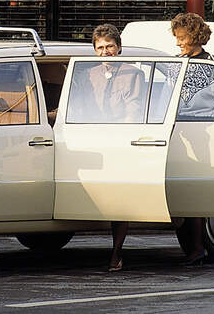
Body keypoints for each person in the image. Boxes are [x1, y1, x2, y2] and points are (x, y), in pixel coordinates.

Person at [170, 12, 214, 266]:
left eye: (182, 38)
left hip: (206, 135)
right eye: (177, 38)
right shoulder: (174, 64)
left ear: (195, 36)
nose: (178, 43)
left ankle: (197, 248)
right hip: (177, 135)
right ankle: (190, 248)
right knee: (180, 192)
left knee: (198, 193)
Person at [86, 23, 145, 272]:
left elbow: (135, 110)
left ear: (119, 48)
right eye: (100, 48)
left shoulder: (133, 73)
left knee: (119, 201)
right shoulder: (90, 73)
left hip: (121, 141)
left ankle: (116, 252)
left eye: (110, 46)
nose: (105, 52)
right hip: (94, 141)